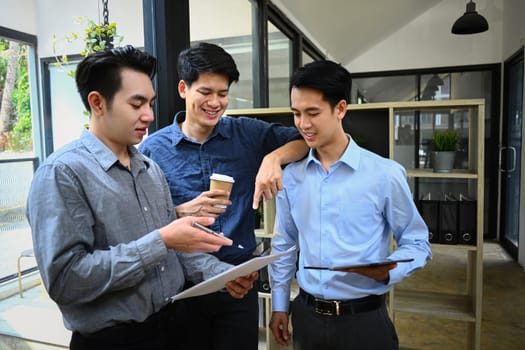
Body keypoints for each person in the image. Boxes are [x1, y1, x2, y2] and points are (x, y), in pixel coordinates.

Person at [26, 45, 257, 350]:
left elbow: (174, 253)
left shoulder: (149, 168)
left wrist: (223, 274)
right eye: (136, 104)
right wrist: (161, 240)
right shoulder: (63, 173)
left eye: (150, 103)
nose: (149, 115)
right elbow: (66, 281)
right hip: (113, 341)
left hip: (171, 328)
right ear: (97, 102)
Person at [139, 42, 308, 350]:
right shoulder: (152, 149)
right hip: (183, 288)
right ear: (183, 88)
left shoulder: (247, 133)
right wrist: (179, 212)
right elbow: (143, 219)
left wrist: (273, 158)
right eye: (206, 92)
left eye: (223, 93)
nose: (215, 102)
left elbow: (304, 140)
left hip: (238, 286)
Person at [268, 60, 432, 350]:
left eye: (313, 113)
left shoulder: (384, 174)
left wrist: (390, 269)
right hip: (306, 318)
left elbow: (417, 241)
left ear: (340, 109)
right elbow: (285, 244)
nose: (303, 124)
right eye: (296, 113)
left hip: (365, 323)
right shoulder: (291, 177)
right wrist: (279, 304)